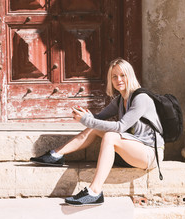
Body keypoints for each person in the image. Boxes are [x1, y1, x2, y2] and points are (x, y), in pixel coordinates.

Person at [30, 58, 165, 206]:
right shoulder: (120, 100)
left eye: (122, 75)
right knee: (96, 128)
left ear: (130, 76)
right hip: (132, 148)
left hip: (150, 153)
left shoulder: (141, 98)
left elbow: (120, 126)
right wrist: (85, 115)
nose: (118, 79)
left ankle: (94, 191)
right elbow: (98, 119)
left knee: (111, 136)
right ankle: (56, 154)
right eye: (114, 76)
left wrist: (87, 120)